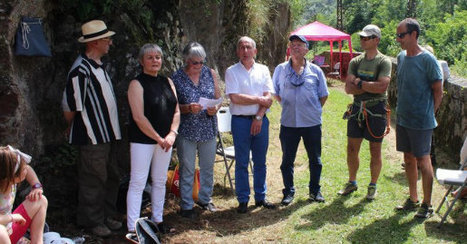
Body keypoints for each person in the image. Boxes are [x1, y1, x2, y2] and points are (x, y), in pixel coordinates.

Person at [62, 20, 122, 237]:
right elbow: (70, 106)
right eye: (107, 39)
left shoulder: (98, 66)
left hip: (107, 134)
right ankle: (91, 222)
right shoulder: (81, 70)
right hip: (91, 136)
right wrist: (72, 126)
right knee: (93, 179)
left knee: (111, 176)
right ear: (95, 42)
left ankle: (105, 215)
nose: (110, 43)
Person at [126, 44, 180, 237]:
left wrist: (172, 134)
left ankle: (158, 220)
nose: (155, 60)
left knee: (159, 180)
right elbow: (139, 117)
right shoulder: (136, 84)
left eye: (158, 57)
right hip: (143, 140)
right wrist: (158, 138)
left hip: (166, 141)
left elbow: (176, 110)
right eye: (150, 57)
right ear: (142, 61)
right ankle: (133, 227)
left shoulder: (168, 82)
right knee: (138, 182)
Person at [394, 18, 443, 218]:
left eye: (401, 35)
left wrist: (430, 114)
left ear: (414, 35)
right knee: (408, 158)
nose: (398, 39)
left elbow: (438, 90)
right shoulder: (401, 57)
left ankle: (427, 204)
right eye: (397, 35)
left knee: (424, 160)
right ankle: (413, 199)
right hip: (404, 118)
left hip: (421, 120)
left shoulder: (428, 60)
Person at [273, 35, 329, 206]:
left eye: (299, 45)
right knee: (287, 161)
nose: (295, 47)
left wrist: (310, 109)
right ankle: (288, 191)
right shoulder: (280, 69)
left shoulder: (316, 71)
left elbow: (323, 95)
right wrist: (289, 105)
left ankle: (314, 190)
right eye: (293, 44)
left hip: (311, 123)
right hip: (289, 122)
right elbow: (275, 91)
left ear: (306, 49)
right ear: (289, 48)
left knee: (315, 159)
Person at [338, 24, 392, 200]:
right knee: (352, 148)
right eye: (361, 37)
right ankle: (352, 182)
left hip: (376, 109)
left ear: (376, 40)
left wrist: (359, 83)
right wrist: (369, 86)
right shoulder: (356, 61)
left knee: (375, 149)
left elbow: (383, 86)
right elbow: (347, 88)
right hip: (357, 108)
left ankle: (373, 185)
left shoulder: (383, 61)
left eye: (366, 38)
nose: (362, 40)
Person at [225, 36, 276, 213]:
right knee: (242, 161)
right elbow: (234, 97)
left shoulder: (263, 70)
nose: (245, 51)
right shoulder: (231, 71)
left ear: (255, 51)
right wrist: (258, 99)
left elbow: (268, 98)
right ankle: (243, 199)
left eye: (248, 47)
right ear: (238, 51)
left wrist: (259, 117)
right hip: (240, 122)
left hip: (260, 120)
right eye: (241, 47)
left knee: (260, 161)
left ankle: (261, 197)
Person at [172, 42, 221, 218]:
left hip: (208, 128)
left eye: (201, 62)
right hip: (187, 130)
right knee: (187, 168)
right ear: (186, 60)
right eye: (195, 62)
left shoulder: (210, 73)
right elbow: (173, 106)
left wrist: (214, 108)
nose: (199, 66)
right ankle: (186, 205)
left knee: (207, 167)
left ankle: (205, 199)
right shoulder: (177, 77)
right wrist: (187, 108)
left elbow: (218, 97)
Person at [0, 145, 48, 244]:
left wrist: (36, 186)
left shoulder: (10, 181)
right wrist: (13, 218)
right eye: (23, 169)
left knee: (40, 200)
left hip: (10, 231)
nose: (26, 170)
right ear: (12, 176)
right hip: (2, 236)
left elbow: (28, 169)